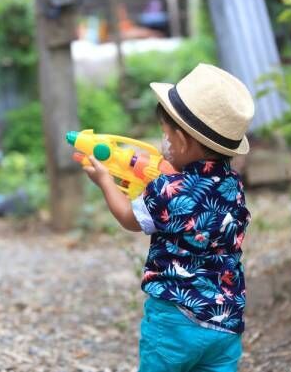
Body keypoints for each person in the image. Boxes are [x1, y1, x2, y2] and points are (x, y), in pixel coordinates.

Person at [82, 63, 255, 372]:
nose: (164, 144)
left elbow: (127, 217)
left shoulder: (167, 190)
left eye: (166, 137)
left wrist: (105, 182)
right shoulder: (234, 186)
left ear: (184, 142)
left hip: (175, 318)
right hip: (226, 322)